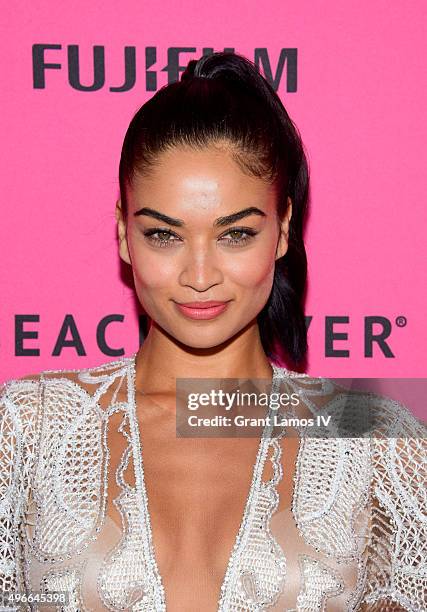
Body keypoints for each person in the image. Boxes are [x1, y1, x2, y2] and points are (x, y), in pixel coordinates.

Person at [0, 52, 425, 612]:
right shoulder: (28, 431)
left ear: (282, 232)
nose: (200, 277)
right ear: (125, 235)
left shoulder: (377, 440)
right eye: (163, 235)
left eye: (236, 234)